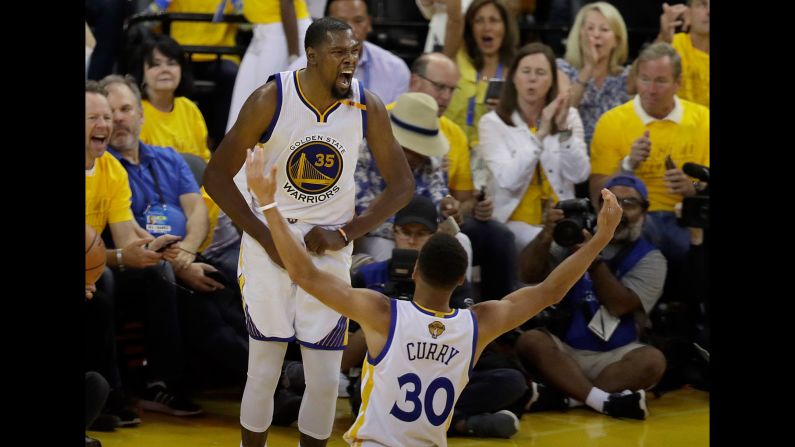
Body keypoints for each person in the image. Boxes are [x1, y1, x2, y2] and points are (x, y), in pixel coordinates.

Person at [245, 144, 625, 446]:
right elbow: (551, 290)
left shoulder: (383, 313)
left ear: (413, 271)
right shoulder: (478, 323)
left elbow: (304, 273)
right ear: (462, 280)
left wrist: (269, 203)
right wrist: (600, 240)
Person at [203, 17, 414, 447]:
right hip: (271, 235)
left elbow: (403, 186)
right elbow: (216, 177)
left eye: (353, 53)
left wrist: (345, 232)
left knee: (323, 376)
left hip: (328, 248)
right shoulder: (270, 98)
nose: (349, 62)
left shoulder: (365, 104)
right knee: (264, 369)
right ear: (312, 56)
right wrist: (266, 237)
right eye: (339, 53)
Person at [101, 74, 249, 387]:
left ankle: (287, 371)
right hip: (147, 267)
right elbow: (128, 232)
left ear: (141, 114)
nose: (118, 119)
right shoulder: (105, 167)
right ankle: (275, 385)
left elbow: (197, 211)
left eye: (125, 109)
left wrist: (186, 255)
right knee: (197, 301)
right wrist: (178, 265)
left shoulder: (169, 158)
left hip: (187, 255)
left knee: (230, 282)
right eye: (109, 113)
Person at [85, 81, 203, 418]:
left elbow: (124, 239)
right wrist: (120, 257)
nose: (105, 125)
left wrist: (154, 248)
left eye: (107, 117)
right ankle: (110, 397)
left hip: (94, 267)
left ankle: (163, 382)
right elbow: (112, 254)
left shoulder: (111, 169)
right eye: (94, 117)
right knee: (103, 281)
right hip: (96, 271)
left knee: (157, 272)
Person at [515, 174, 666, 420]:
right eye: (613, 203)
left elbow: (620, 305)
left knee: (653, 360)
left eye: (629, 204)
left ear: (644, 213)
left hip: (616, 356)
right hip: (565, 351)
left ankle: (567, 397)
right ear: (598, 209)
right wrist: (545, 235)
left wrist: (591, 257)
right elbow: (527, 273)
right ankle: (605, 401)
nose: (620, 211)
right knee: (530, 341)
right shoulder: (571, 237)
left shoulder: (651, 258)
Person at [407, 52, 517, 300]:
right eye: (439, 87)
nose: (445, 96)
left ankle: (500, 324)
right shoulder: (385, 119)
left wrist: (465, 208)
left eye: (451, 89)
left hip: (439, 222)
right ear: (415, 82)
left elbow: (462, 199)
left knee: (498, 235)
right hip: (398, 225)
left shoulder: (454, 133)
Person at [588, 42, 709, 265]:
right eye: (645, 79)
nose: (651, 89)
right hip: (634, 218)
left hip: (686, 217)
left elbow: (704, 182)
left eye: (661, 81)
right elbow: (597, 194)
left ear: (678, 83)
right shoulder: (611, 122)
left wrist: (692, 187)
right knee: (640, 228)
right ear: (635, 79)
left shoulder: (703, 120)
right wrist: (628, 165)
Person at [475, 42, 590, 254]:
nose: (532, 79)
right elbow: (508, 180)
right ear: (514, 78)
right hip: (512, 221)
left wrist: (563, 131)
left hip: (562, 219)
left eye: (540, 73)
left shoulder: (569, 116)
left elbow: (579, 174)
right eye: (526, 71)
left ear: (551, 81)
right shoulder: (492, 123)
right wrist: (541, 134)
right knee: (552, 248)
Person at [149, 0, 243, 150]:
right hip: (179, 56)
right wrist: (162, 5)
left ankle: (221, 144)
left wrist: (238, 5)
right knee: (168, 73)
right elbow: (147, 24)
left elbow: (247, 26)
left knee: (231, 76)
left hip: (220, 55)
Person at [288, 0, 411, 105]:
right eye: (340, 22)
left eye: (358, 20)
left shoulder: (395, 70)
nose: (350, 30)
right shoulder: (298, 72)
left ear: (369, 23)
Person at [226, 0, 312, 131]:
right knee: (242, 105)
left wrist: (293, 56)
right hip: (261, 31)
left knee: (265, 105)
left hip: (286, 32)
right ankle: (242, 151)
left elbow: (287, 3)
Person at [556, 2, 631, 149]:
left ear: (617, 39)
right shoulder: (561, 68)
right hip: (572, 154)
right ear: (579, 35)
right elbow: (565, 110)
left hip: (614, 157)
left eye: (604, 29)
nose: (596, 34)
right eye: (590, 28)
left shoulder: (625, 77)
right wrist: (588, 67)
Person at [443, 0, 518, 147]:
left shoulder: (516, 72)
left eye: (494, 20)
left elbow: (528, 126)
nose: (487, 28)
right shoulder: (455, 58)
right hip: (448, 154)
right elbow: (454, 19)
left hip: (491, 156)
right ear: (470, 27)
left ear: (506, 27)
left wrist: (507, 116)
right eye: (479, 21)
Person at [131, 34, 212, 162]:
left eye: (171, 63)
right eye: (155, 65)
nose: (165, 70)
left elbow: (204, 159)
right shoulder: (134, 114)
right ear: (142, 73)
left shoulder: (189, 109)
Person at [657, 0, 709, 107]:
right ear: (687, 14)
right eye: (702, 4)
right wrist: (663, 40)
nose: (709, 11)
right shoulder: (671, 43)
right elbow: (632, 85)